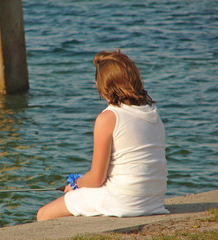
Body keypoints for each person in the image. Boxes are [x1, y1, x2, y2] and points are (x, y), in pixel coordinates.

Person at [37, 49, 169, 221]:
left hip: (123, 201)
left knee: (44, 214)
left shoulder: (107, 118)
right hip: (154, 202)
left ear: (101, 87)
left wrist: (75, 185)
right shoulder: (153, 114)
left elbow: (97, 179)